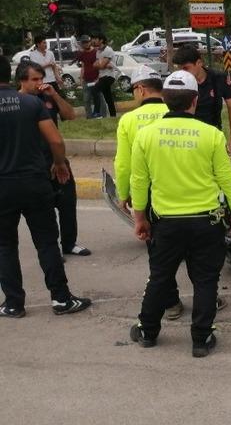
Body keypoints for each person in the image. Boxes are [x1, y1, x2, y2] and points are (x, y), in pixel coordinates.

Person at [128, 70, 231, 357]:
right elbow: (226, 178)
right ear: (195, 100)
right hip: (206, 222)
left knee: (160, 277)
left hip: (166, 224)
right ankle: (201, 339)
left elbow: (139, 181)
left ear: (166, 100)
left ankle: (147, 331)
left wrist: (140, 217)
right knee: (205, 280)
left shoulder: (146, 136)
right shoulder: (211, 134)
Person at [0, 56, 92, 319]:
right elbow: (55, 139)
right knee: (47, 243)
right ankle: (61, 299)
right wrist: (59, 163)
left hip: (2, 186)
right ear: (11, 76)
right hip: (34, 182)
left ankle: (13, 303)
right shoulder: (31, 103)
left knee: (5, 246)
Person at [114, 65, 200, 320]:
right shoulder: (175, 110)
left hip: (151, 194)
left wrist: (124, 193)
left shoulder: (128, 120)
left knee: (158, 251)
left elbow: (123, 162)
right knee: (196, 248)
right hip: (185, 187)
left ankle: (171, 302)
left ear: (140, 89)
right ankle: (207, 296)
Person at [16, 61, 91, 258]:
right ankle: (51, 250)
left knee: (67, 202)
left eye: (41, 78)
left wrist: (55, 95)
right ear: (22, 80)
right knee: (45, 211)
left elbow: (70, 115)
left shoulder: (46, 98)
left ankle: (69, 243)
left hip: (56, 159)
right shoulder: (18, 103)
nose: (39, 83)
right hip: (35, 164)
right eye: (34, 79)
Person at [172, 45, 231, 161]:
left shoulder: (218, 78)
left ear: (199, 63)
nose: (182, 73)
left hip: (213, 136)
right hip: (188, 138)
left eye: (185, 68)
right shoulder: (179, 83)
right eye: (179, 69)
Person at [74, 35, 103, 119]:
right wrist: (81, 78)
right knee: (86, 100)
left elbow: (100, 65)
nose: (85, 44)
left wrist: (99, 78)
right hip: (86, 80)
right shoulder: (82, 54)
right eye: (83, 43)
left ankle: (102, 115)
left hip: (96, 79)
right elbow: (83, 66)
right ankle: (89, 117)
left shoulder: (96, 52)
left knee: (100, 98)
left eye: (87, 42)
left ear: (90, 42)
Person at [92, 33, 117, 117]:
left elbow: (101, 65)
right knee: (108, 97)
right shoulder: (98, 52)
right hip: (102, 76)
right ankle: (113, 115)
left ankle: (97, 112)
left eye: (95, 39)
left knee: (95, 89)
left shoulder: (108, 50)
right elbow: (94, 65)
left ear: (101, 40)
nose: (93, 41)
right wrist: (103, 65)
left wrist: (101, 65)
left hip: (109, 76)